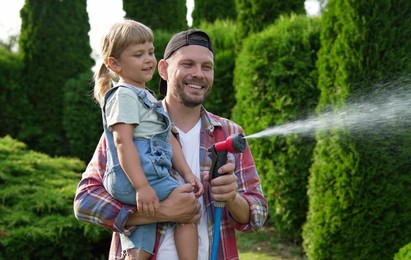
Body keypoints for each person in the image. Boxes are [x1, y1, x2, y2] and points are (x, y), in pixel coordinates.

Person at [74, 28, 268, 260]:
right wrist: (160, 212)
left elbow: (258, 213)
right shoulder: (130, 126)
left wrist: (232, 198)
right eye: (187, 64)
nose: (199, 74)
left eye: (207, 67)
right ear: (164, 69)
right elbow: (85, 202)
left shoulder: (229, 133)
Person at [91, 19, 203, 260]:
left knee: (145, 224)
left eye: (151, 52)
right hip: (135, 178)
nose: (149, 59)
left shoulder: (146, 97)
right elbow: (123, 142)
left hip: (145, 177)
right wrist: (142, 187)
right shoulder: (124, 95)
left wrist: (187, 173)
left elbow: (167, 139)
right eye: (138, 54)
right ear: (115, 64)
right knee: (189, 208)